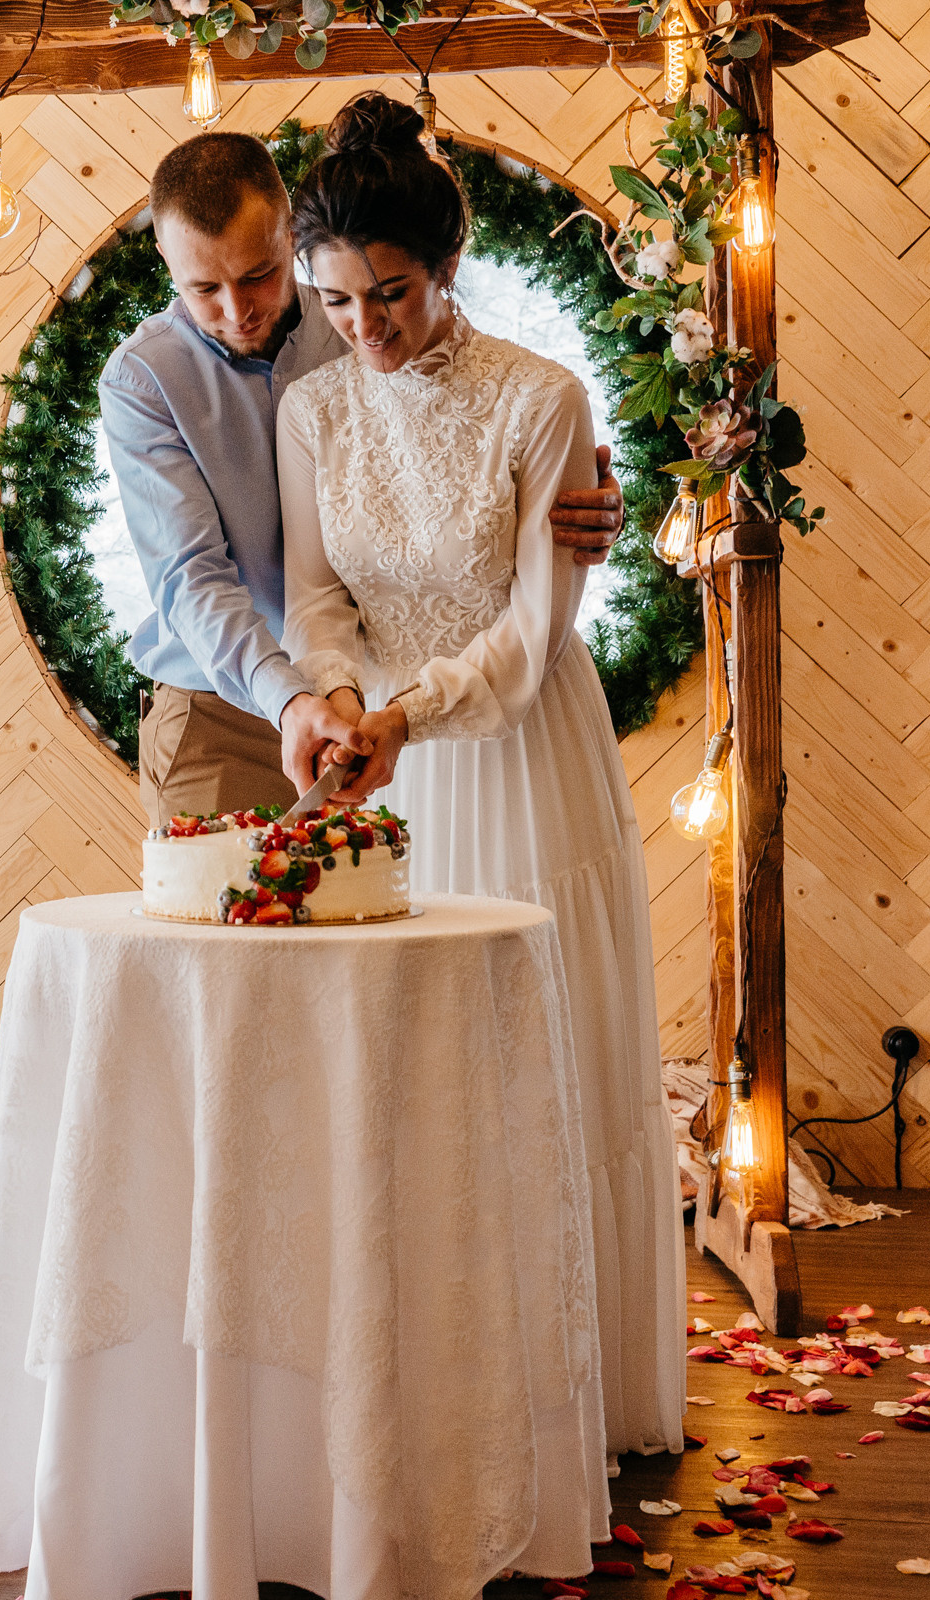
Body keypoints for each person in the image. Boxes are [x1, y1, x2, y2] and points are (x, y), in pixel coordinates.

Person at [278, 93, 687, 1471]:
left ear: (443, 267)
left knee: (540, 1062)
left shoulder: (542, 399)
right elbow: (316, 599)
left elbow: (529, 636)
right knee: (398, 1078)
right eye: (336, 302)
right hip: (380, 768)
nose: (365, 329)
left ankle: (554, 1396)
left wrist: (408, 712)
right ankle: (419, 1389)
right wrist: (344, 707)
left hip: (515, 754)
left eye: (386, 294)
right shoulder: (314, 409)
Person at [99, 130, 625, 827]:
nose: (237, 309)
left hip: (378, 712)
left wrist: (575, 512)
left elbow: (474, 450)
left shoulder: (363, 307)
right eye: (203, 288)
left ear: (290, 234)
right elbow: (191, 575)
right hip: (218, 713)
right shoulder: (143, 379)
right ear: (164, 258)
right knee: (226, 922)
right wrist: (294, 699)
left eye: (258, 273)